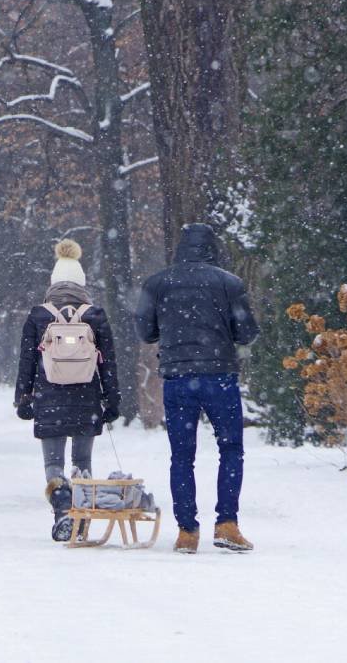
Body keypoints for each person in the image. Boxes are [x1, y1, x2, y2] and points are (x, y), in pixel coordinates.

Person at [135, 222, 260, 555]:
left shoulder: (157, 284)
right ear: (211, 248)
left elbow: (146, 332)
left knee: (182, 456)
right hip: (220, 376)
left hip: (178, 379)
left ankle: (187, 531)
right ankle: (227, 524)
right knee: (231, 449)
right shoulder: (229, 283)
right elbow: (246, 332)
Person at [15, 239, 120, 541]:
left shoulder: (39, 316)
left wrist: (23, 398)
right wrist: (112, 400)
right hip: (87, 399)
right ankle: (82, 515)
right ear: (81, 282)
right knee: (83, 462)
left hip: (49, 398)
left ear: (53, 282)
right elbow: (108, 363)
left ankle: (62, 510)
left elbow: (26, 362)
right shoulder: (95, 315)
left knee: (53, 463)